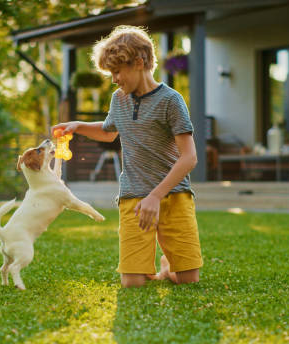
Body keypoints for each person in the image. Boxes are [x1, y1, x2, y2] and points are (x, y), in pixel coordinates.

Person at [51, 25, 203, 288]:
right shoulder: (118, 100)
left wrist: (156, 195)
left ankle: (167, 266)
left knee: (187, 281)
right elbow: (110, 131)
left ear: (139, 62)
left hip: (174, 196)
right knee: (132, 283)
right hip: (133, 197)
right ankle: (153, 264)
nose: (114, 79)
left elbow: (189, 158)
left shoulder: (171, 100)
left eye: (117, 71)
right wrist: (78, 126)